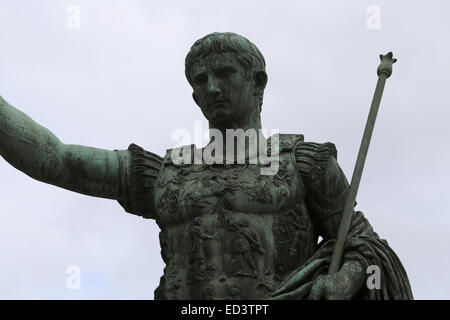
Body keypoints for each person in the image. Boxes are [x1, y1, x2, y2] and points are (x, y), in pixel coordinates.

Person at [0, 32, 412, 299]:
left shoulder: (304, 164)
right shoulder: (166, 173)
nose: (210, 87)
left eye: (223, 73)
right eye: (199, 80)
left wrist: (346, 278)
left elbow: (365, 246)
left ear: (258, 82)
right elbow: (55, 159)